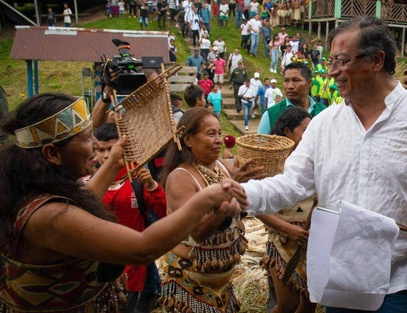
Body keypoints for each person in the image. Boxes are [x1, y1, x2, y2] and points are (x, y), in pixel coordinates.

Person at [242, 16, 407, 312]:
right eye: (331, 61)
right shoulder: (325, 124)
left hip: (400, 281)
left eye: (341, 61)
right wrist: (243, 196)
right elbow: (292, 183)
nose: (332, 71)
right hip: (341, 280)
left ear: (377, 59)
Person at [0, 93, 245, 313]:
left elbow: (85, 200)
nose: (96, 146)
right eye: (87, 138)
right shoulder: (48, 216)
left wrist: (116, 160)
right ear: (52, 154)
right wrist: (206, 198)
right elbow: (143, 248)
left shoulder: (42, 195)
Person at [157, 108, 248, 313]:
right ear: (188, 139)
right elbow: (197, 232)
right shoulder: (180, 177)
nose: (218, 140)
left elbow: (247, 196)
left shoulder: (223, 167)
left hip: (222, 278)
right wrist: (224, 204)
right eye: (210, 134)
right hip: (190, 276)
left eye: (218, 132)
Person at [93, 123, 167, 313]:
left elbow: (164, 211)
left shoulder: (138, 179)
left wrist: (152, 185)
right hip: (97, 269)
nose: (106, 155)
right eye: (100, 150)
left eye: (111, 148)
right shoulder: (89, 182)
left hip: (132, 271)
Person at [258, 106, 315, 313]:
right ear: (287, 132)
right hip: (283, 242)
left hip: (311, 241)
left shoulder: (314, 160)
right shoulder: (272, 163)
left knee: (310, 302)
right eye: (304, 131)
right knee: (287, 304)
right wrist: (288, 229)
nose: (310, 136)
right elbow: (258, 208)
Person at [259, 62, 326, 134]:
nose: (290, 86)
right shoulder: (271, 115)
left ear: (309, 83)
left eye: (296, 80)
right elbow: (261, 144)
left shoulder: (324, 112)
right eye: (286, 81)